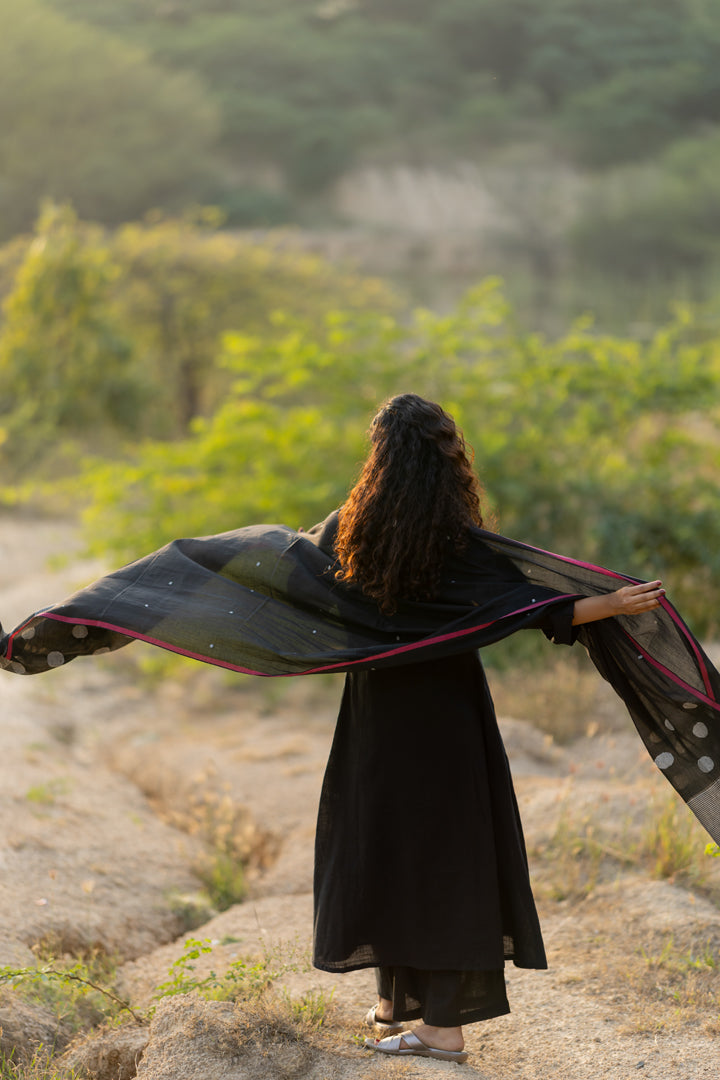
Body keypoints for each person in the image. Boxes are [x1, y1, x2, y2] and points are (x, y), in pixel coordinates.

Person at [311, 393, 663, 1064]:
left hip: (377, 718)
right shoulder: (461, 544)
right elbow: (538, 609)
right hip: (448, 716)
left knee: (390, 848)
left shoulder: (348, 532)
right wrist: (612, 603)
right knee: (446, 857)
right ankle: (416, 1013)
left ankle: (436, 1028)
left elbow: (288, 586)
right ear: (448, 463)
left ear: (379, 459)